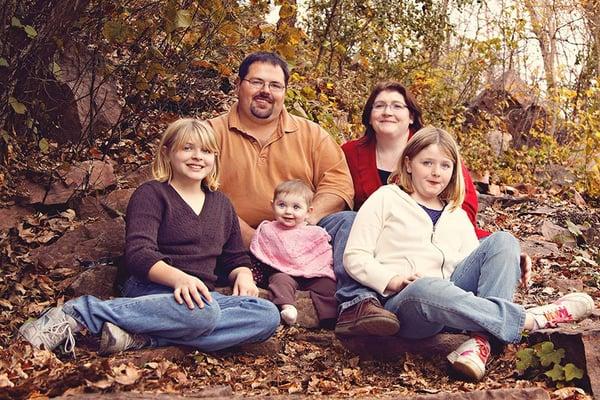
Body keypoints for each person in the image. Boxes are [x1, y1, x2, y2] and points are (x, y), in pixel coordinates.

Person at [342, 126, 595, 380]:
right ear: (408, 164)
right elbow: (355, 256)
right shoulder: (386, 198)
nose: (435, 172)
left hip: (452, 303)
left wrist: (507, 261)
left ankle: (480, 343)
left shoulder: (457, 214)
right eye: (426, 163)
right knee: (428, 286)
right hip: (408, 304)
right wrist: (393, 280)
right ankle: (530, 319)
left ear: (453, 171)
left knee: (504, 241)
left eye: (445, 165)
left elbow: (476, 268)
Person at [18, 118, 280, 356]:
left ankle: (143, 337)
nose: (198, 157)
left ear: (215, 158)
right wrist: (179, 278)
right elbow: (139, 253)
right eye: (187, 148)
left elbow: (235, 256)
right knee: (203, 314)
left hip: (197, 297)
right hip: (150, 287)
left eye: (207, 151)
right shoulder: (152, 194)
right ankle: (79, 313)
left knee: (266, 315)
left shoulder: (222, 204)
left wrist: (244, 275)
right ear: (167, 152)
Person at [208, 51, 356, 321]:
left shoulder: (311, 134)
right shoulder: (212, 133)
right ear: (239, 84)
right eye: (256, 82)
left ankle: (353, 305)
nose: (266, 91)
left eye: (275, 85)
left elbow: (338, 184)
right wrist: (257, 238)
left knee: (348, 220)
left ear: (285, 91)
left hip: (304, 234)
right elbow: (201, 192)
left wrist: (305, 223)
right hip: (236, 240)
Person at [336, 81, 490, 337]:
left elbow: (458, 215)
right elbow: (337, 190)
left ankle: (487, 327)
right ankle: (358, 302)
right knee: (345, 219)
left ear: (411, 117)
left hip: (422, 250)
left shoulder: (435, 152)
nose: (387, 111)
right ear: (369, 115)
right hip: (377, 236)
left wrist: (489, 248)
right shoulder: (351, 152)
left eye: (397, 106)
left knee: (501, 244)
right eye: (380, 106)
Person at [249, 179, 337, 327]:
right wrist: (253, 277)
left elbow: (324, 257)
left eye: (296, 207)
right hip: (283, 273)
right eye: (282, 205)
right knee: (279, 281)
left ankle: (329, 317)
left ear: (309, 211)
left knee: (329, 285)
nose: (288, 211)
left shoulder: (315, 233)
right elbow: (259, 257)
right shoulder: (268, 230)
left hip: (312, 273)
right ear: (272, 205)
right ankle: (287, 307)